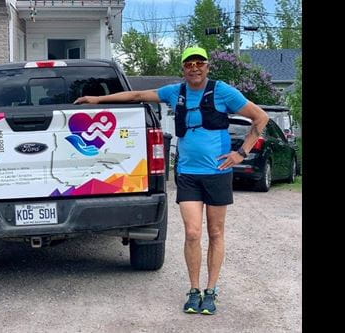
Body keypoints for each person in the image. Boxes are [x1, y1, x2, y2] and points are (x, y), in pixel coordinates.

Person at [74, 46, 269, 315]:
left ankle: (211, 291)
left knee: (215, 233)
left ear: (208, 66)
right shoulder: (175, 92)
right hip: (188, 174)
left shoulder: (222, 91)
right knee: (192, 232)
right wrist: (98, 100)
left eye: (199, 62)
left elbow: (261, 117)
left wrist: (241, 153)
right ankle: (193, 290)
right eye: (189, 64)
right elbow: (138, 95)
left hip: (218, 174)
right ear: (183, 69)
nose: (194, 68)